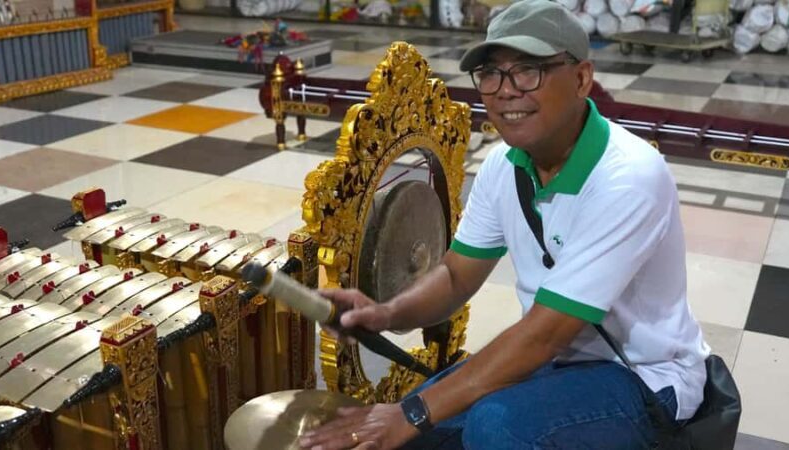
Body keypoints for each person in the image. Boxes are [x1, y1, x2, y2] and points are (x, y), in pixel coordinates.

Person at [299, 0, 710, 448]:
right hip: (555, 361)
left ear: (581, 78)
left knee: (496, 426)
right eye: (491, 73)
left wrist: (412, 412)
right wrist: (386, 313)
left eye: (528, 70)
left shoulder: (628, 177)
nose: (505, 90)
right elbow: (456, 276)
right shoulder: (503, 166)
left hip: (643, 376)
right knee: (415, 436)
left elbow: (547, 333)